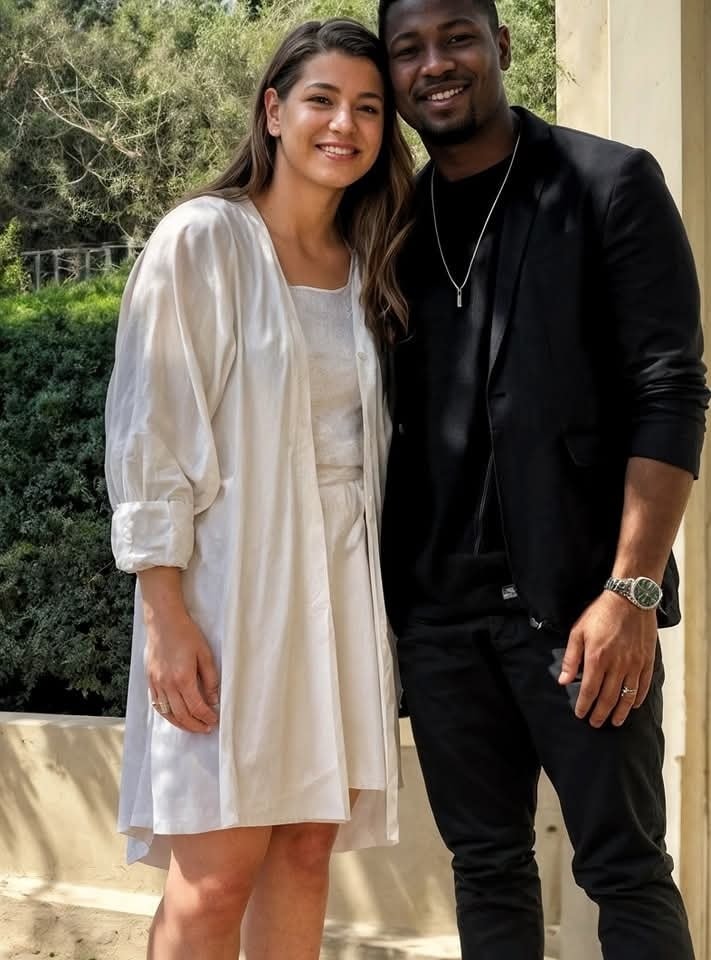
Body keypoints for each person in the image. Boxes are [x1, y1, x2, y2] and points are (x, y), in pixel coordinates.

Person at [378, 1, 710, 958]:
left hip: (580, 610)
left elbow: (671, 390)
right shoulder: (388, 224)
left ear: (501, 45)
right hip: (438, 621)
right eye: (408, 49)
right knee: (485, 867)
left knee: (625, 870)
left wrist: (630, 590)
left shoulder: (606, 183)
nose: (434, 64)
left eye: (456, 38)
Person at [104, 18, 412, 960]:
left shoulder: (371, 262)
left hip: (344, 591)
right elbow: (151, 432)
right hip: (230, 589)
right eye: (322, 99)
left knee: (307, 854)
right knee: (215, 873)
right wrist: (165, 613)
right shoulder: (203, 239)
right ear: (274, 111)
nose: (344, 125)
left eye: (368, 108)